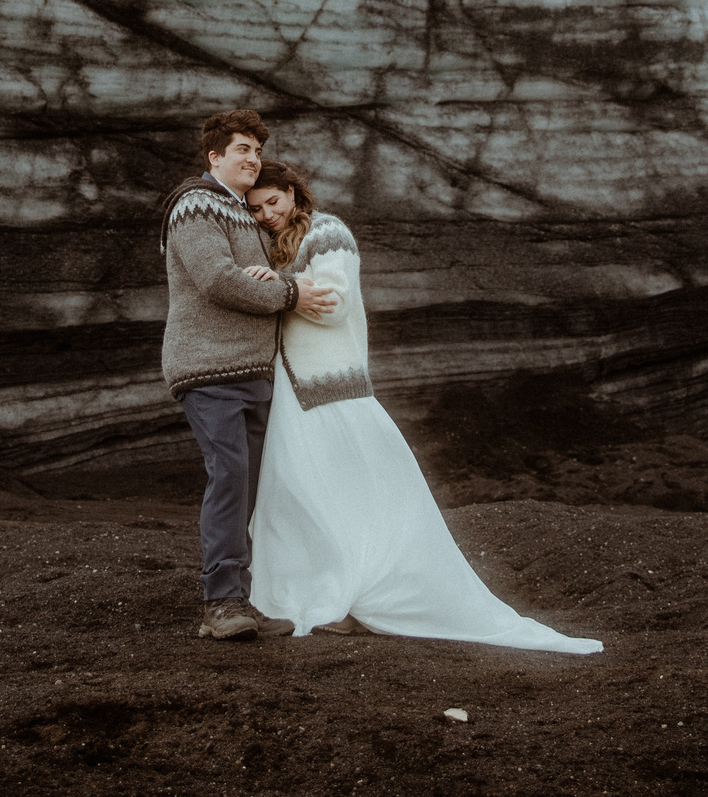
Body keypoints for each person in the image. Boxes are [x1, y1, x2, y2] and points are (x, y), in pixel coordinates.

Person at [241, 159, 602, 655]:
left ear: (292, 192)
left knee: (348, 494)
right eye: (256, 208)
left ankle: (353, 593)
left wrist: (276, 289)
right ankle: (330, 593)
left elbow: (336, 304)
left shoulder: (327, 231)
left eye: (273, 202)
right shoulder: (278, 242)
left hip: (334, 389)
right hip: (294, 391)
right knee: (296, 495)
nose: (265, 214)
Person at [160, 109, 334, 640]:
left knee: (255, 484)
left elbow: (252, 275)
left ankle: (248, 595)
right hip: (209, 368)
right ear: (215, 157)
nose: (253, 159)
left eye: (257, 151)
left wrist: (279, 278)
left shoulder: (245, 213)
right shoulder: (195, 205)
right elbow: (216, 279)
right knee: (232, 477)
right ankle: (222, 602)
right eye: (241, 149)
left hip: (254, 373)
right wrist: (291, 293)